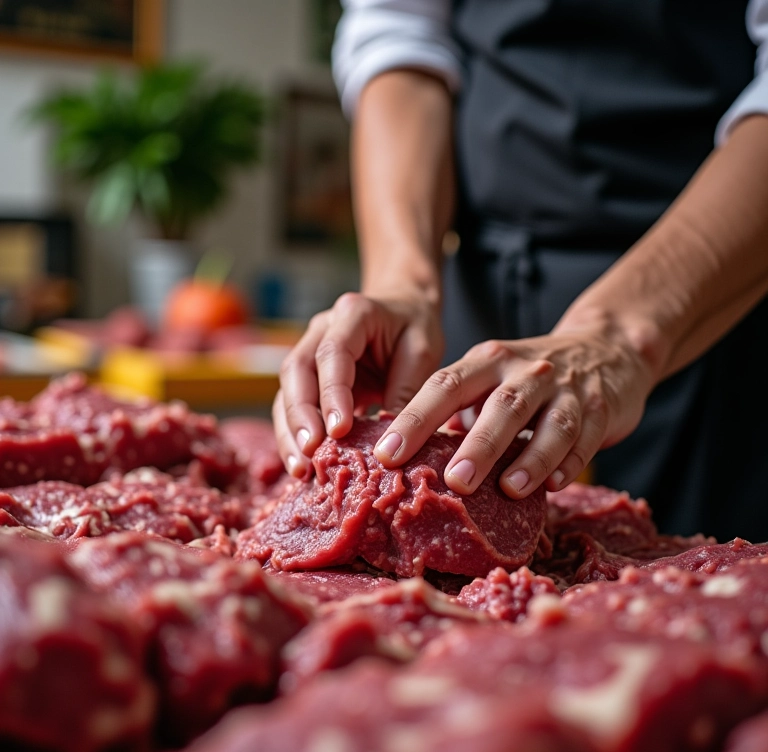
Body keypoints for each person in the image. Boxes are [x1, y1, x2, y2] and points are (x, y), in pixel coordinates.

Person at [274, 0, 768, 542]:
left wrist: (623, 334)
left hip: (712, 291)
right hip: (483, 290)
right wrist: (402, 283)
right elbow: (401, 33)